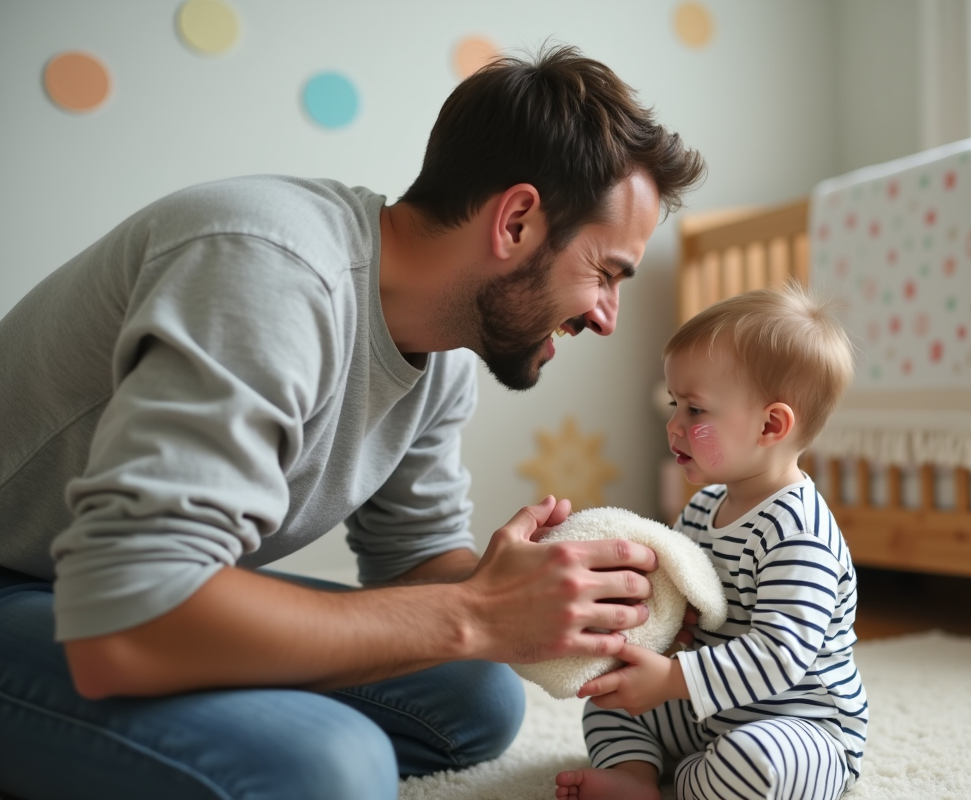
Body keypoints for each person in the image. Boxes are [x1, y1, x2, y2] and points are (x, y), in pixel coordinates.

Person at [0, 45, 705, 800]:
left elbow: (414, 561)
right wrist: (475, 611)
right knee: (330, 767)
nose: (606, 317)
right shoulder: (270, 272)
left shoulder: (443, 354)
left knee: (474, 697)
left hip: (104, 587)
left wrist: (565, 602)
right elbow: (130, 608)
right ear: (518, 221)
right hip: (52, 585)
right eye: (606, 274)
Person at [555, 284, 867, 800]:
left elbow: (779, 654)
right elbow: (675, 595)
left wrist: (674, 678)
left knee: (758, 765)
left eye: (695, 411)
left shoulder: (800, 533)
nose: (674, 425)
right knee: (608, 704)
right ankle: (635, 778)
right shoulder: (703, 507)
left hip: (799, 724)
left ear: (770, 425)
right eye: (675, 404)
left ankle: (688, 784)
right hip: (706, 709)